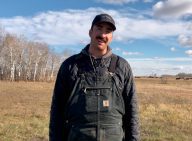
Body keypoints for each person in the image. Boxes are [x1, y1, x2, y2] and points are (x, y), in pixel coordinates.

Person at [49, 13, 139, 141]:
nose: (103, 35)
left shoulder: (122, 66)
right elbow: (57, 111)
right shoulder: (70, 66)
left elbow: (132, 110)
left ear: (111, 37)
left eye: (108, 31)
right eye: (99, 28)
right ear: (90, 32)